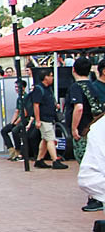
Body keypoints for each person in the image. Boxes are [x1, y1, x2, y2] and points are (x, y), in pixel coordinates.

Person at [67, 57, 101, 212]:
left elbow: (79, 107)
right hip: (97, 129)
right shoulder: (95, 86)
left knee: (87, 164)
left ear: (73, 69)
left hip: (84, 131)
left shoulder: (76, 87)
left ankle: (95, 197)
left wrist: (74, 128)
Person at [31, 69, 67, 169]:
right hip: (44, 119)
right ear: (45, 77)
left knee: (45, 139)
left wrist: (55, 105)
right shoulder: (39, 89)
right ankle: (55, 160)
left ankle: (39, 159)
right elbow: (36, 105)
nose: (52, 78)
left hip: (49, 117)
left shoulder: (48, 88)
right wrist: (37, 120)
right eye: (51, 76)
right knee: (50, 139)